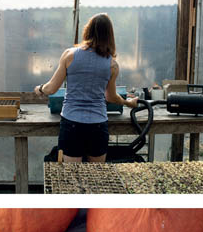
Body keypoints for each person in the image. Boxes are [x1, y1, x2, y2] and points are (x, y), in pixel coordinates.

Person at [34, 13, 138, 162]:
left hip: (72, 123)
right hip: (97, 126)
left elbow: (51, 89)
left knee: (71, 177)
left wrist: (40, 88)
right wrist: (129, 103)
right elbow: (111, 97)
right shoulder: (112, 65)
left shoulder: (69, 55)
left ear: (87, 31)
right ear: (109, 36)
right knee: (94, 178)